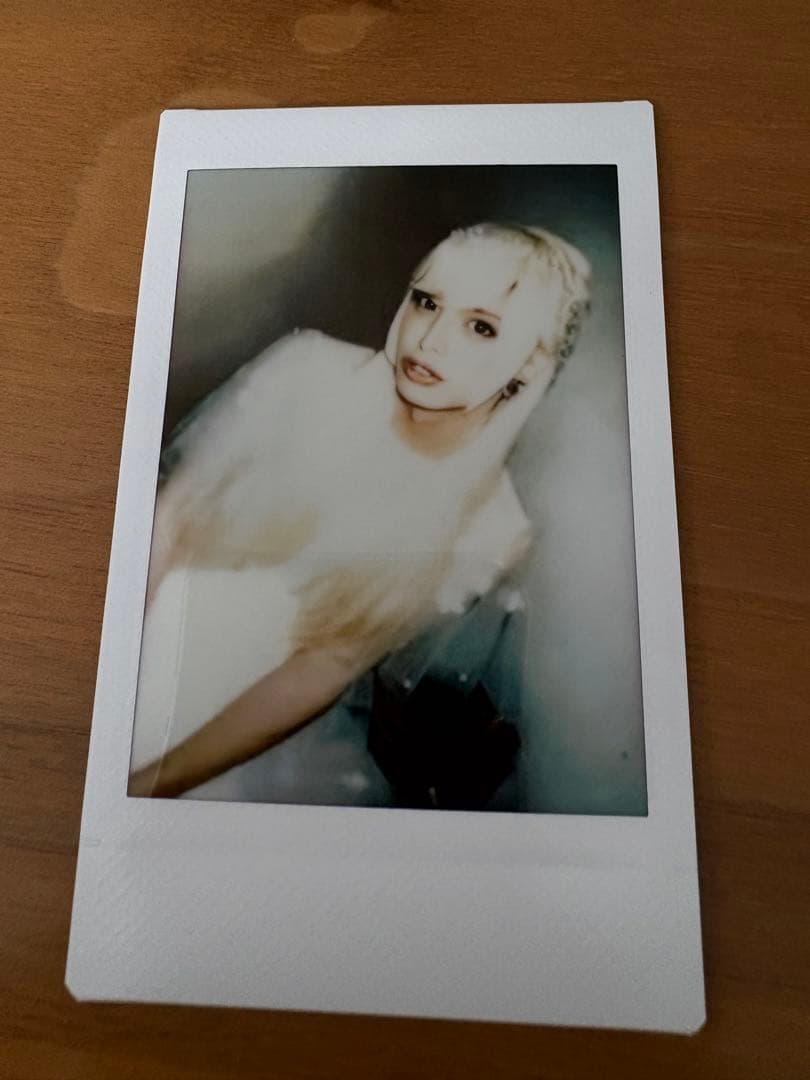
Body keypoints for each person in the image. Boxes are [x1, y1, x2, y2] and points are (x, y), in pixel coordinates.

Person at [128, 222, 591, 798]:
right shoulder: (306, 369)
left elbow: (327, 665)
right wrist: (116, 666)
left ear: (530, 366)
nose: (430, 340)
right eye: (427, 302)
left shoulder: (494, 527)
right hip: (147, 622)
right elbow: (169, 520)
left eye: (481, 327)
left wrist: (154, 783)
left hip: (248, 723)